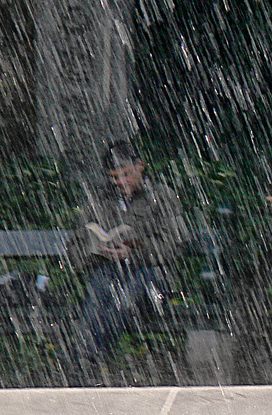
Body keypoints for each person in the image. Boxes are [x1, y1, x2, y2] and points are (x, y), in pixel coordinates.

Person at [65, 140, 188, 372]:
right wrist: (97, 251)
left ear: (140, 166)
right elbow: (74, 248)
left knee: (125, 298)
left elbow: (175, 244)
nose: (121, 183)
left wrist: (132, 253)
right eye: (114, 178)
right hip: (110, 271)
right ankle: (84, 359)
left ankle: (88, 361)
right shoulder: (99, 200)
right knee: (97, 294)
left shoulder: (162, 196)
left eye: (126, 175)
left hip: (151, 276)